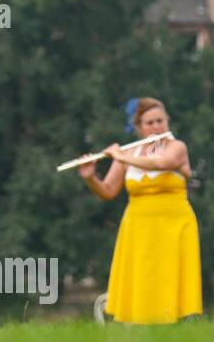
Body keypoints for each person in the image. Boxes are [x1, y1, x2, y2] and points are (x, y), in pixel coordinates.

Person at [78, 97, 203, 324]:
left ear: (167, 121)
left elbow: (163, 163)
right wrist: (90, 178)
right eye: (150, 123)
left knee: (171, 280)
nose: (156, 127)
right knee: (142, 282)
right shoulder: (129, 154)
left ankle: (178, 325)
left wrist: (120, 156)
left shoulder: (177, 147)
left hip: (174, 225)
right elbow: (107, 190)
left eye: (160, 121)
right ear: (139, 127)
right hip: (138, 226)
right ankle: (139, 327)